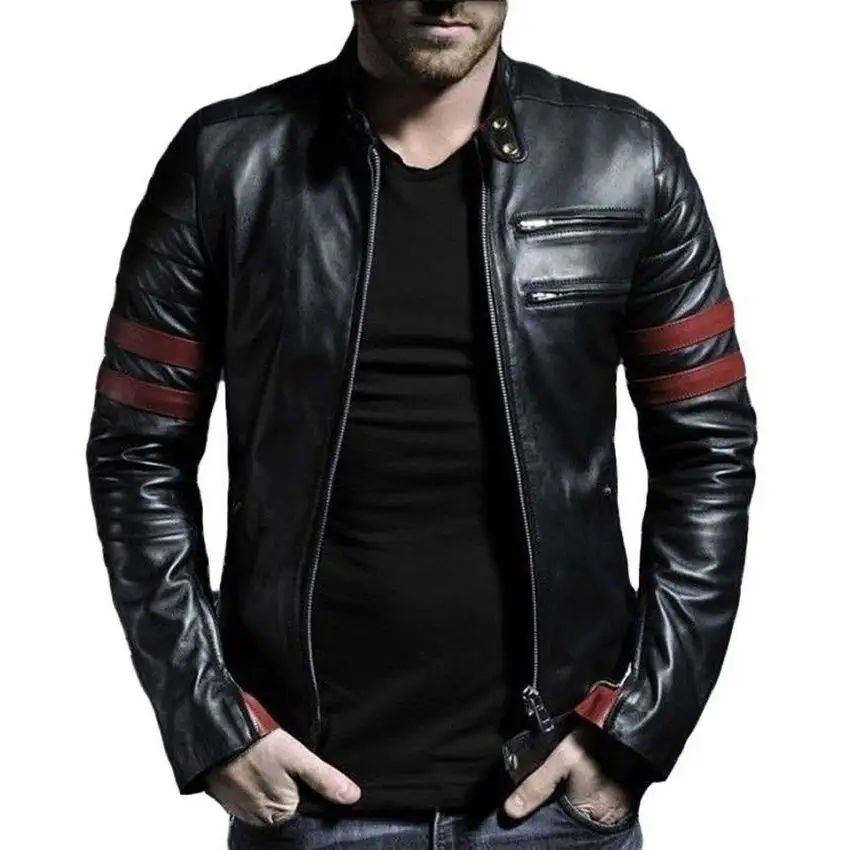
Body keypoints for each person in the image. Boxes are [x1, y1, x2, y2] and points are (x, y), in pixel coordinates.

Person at [84, 2, 758, 848]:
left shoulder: (627, 159)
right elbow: (136, 452)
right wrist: (210, 720)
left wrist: (637, 727)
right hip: (308, 799)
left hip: (553, 800)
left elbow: (709, 449)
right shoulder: (226, 162)